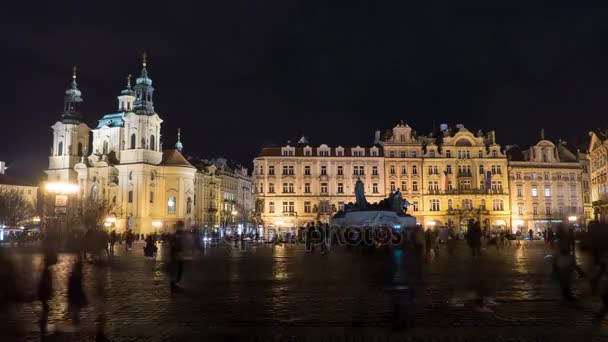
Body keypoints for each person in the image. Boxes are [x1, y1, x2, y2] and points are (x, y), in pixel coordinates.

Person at [67, 259, 87, 326]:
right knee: (76, 314)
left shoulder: (75, 276)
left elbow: (77, 288)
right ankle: (76, 325)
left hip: (75, 298)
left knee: (76, 314)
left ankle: (76, 325)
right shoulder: (76, 277)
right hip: (75, 298)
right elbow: (77, 288)